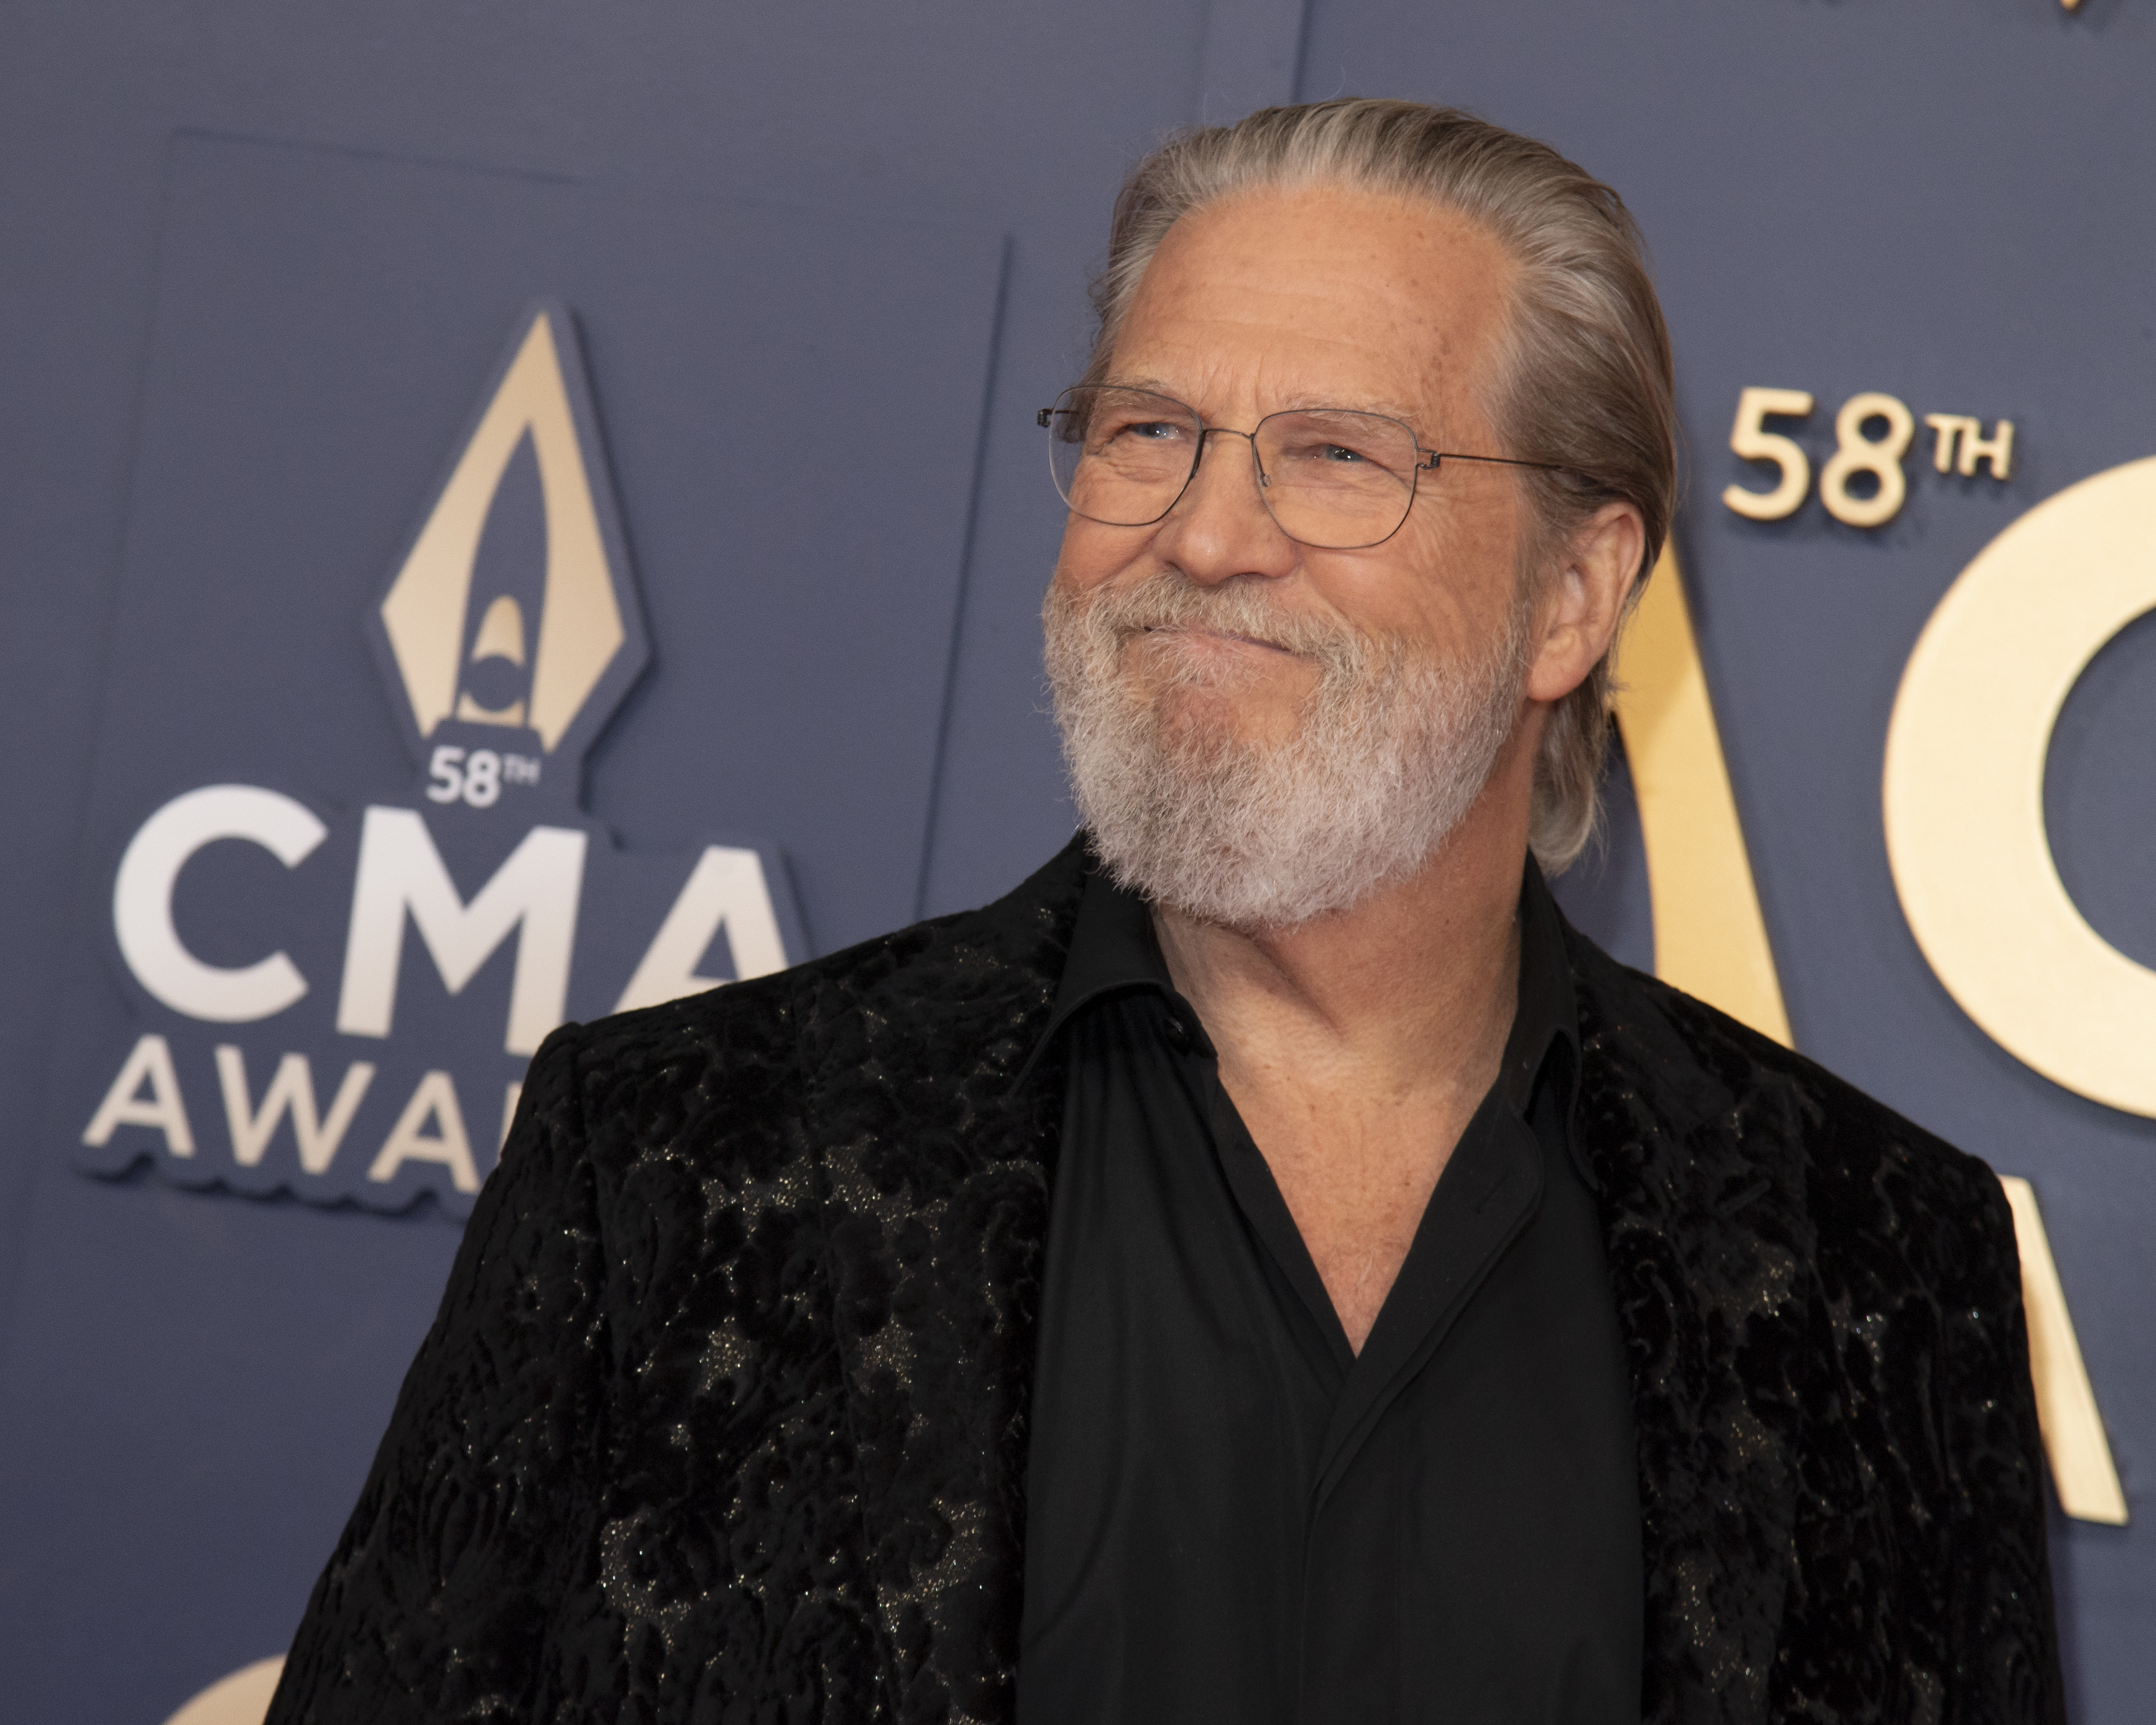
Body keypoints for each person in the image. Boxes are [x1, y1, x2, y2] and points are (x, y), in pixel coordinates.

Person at [269, 99, 2062, 1725]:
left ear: (1574, 597)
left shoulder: (1879, 1271)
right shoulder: (673, 1156)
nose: (1203, 537)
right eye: (1150, 432)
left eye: (1339, 457)